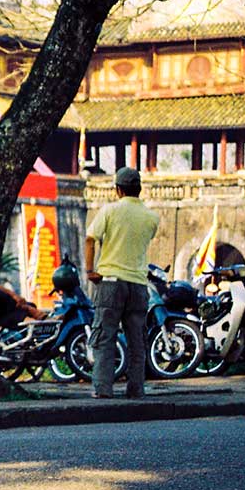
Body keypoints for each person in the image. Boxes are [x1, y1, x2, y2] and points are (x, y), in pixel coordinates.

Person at [84, 166, 160, 399]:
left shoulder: (110, 211)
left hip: (110, 283)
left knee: (105, 337)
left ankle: (103, 389)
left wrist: (90, 270)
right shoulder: (151, 217)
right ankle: (136, 388)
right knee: (137, 340)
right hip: (138, 285)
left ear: (118, 189)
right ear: (139, 189)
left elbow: (90, 239)